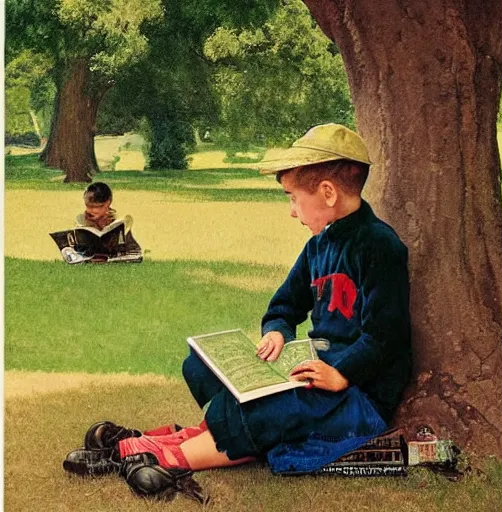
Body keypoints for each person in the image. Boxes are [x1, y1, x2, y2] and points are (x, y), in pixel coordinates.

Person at [63, 123, 411, 498]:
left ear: (327, 193)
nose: (291, 211)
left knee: (274, 409)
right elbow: (284, 305)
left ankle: (150, 453)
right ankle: (171, 440)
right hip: (310, 370)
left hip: (357, 394)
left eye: (293, 198)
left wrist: (342, 373)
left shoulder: (379, 246)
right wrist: (277, 331)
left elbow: (384, 336)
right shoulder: (317, 247)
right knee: (199, 367)